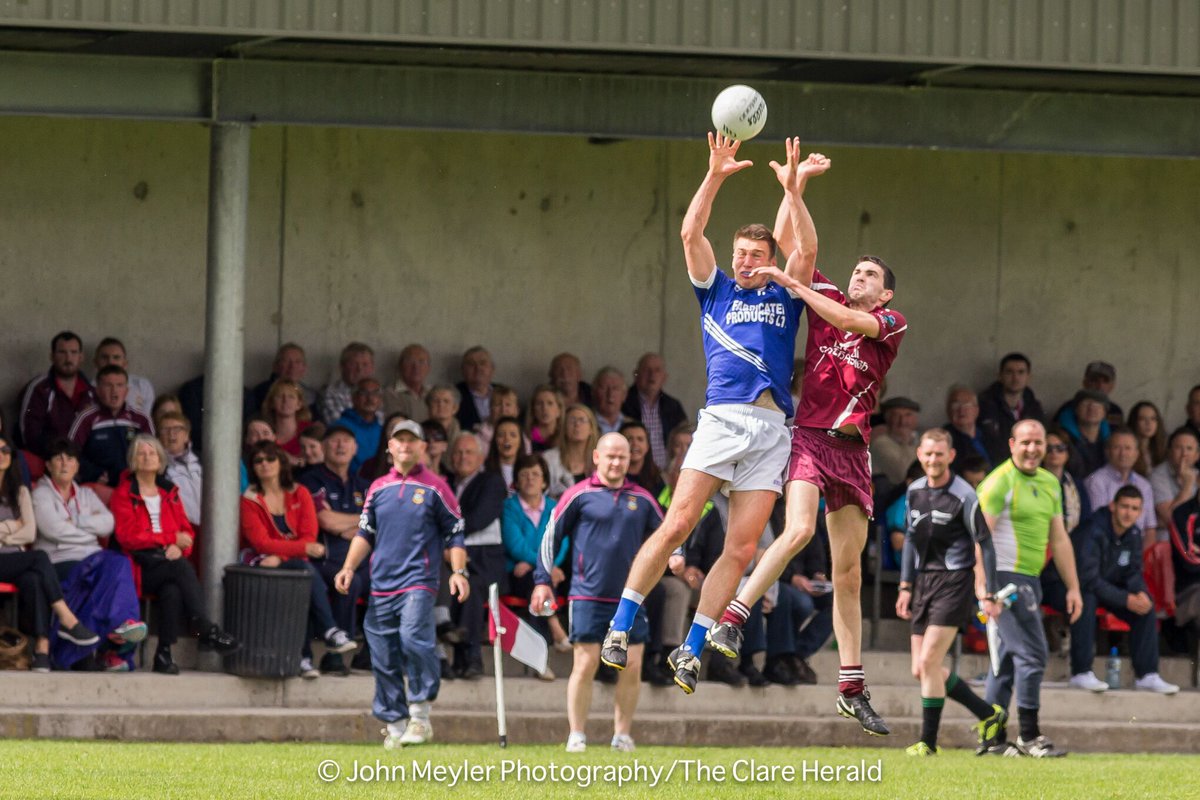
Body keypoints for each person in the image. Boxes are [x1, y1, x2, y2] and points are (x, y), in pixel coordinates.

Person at [601, 134, 822, 698]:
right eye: (741, 254)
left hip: (772, 431)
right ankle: (620, 625)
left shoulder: (786, 290)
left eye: (757, 256)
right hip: (722, 421)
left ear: (769, 260)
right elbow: (689, 232)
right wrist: (715, 174)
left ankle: (693, 648)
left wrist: (793, 191)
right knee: (678, 524)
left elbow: (805, 249)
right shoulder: (715, 289)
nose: (747, 262)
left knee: (742, 550)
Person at [706, 151, 907, 734]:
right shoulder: (822, 297)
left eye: (871, 276)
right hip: (810, 441)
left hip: (855, 452)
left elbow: (846, 321)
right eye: (857, 272)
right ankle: (735, 616)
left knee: (848, 576)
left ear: (886, 295)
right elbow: (803, 248)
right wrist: (794, 190)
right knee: (796, 530)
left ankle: (851, 685)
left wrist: (795, 282)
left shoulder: (889, 325)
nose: (859, 278)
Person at [335, 419, 468, 748]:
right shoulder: (378, 487)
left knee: (413, 639)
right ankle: (394, 724)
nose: (405, 445)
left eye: (412, 441)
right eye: (400, 440)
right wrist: (349, 568)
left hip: (418, 581)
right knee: (382, 653)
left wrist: (458, 572)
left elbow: (455, 534)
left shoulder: (437, 487)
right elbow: (366, 532)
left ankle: (420, 716)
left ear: (422, 447)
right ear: (390, 447)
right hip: (381, 583)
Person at [532, 433, 664, 752]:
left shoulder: (644, 499)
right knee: (585, 664)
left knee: (632, 666)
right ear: (596, 457)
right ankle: (577, 734)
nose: (617, 462)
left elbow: (668, 534)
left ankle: (622, 735)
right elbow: (551, 537)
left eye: (623, 456)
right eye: (611, 456)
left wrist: (677, 556)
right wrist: (542, 579)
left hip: (631, 598)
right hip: (587, 595)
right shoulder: (578, 494)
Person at [894, 429, 1005, 756]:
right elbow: (910, 541)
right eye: (928, 454)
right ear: (919, 454)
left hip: (954, 581)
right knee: (921, 669)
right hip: (923, 583)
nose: (933, 460)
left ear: (950, 456)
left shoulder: (964, 495)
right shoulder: (913, 492)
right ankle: (989, 713)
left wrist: (988, 589)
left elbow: (984, 542)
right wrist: (905, 586)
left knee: (929, 661)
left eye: (939, 454)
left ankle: (927, 743)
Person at [976, 420, 1082, 758]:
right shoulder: (998, 482)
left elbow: (1060, 538)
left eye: (1039, 443)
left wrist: (1073, 587)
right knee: (1033, 655)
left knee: (1005, 663)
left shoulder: (1051, 483)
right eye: (1026, 442)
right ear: (1012, 444)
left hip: (1030, 580)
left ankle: (991, 741)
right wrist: (985, 589)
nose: (1033, 449)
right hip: (1005, 580)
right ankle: (1029, 736)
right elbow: (979, 540)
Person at [110, 434, 239, 674]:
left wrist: (179, 547)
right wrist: (171, 540)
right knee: (180, 569)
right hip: (138, 565)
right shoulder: (124, 493)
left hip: (167, 561)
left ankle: (164, 654)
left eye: (152, 453)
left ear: (161, 461)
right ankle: (204, 629)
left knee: (173, 589)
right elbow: (128, 536)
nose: (148, 458)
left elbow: (187, 532)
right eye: (142, 453)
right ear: (133, 461)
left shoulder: (170, 491)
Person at [239, 440, 357, 679]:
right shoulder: (249, 498)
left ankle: (304, 657)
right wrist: (299, 549)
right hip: (261, 560)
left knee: (303, 578)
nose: (264, 464)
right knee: (304, 573)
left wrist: (282, 555)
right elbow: (261, 543)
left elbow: (309, 534)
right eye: (258, 460)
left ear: (281, 462)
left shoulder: (299, 492)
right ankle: (329, 632)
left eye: (270, 459)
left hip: (289, 560)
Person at [1045, 486, 1178, 695]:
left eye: (1134, 509)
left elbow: (1133, 572)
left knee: (1145, 606)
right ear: (1112, 506)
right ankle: (1081, 672)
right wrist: (1126, 599)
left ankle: (1147, 675)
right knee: (1085, 600)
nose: (1128, 513)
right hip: (1060, 585)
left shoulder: (1133, 533)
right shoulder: (1092, 530)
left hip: (1101, 587)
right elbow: (1087, 580)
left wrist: (1140, 593)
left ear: (1140, 512)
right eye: (1124, 506)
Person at [32, 438, 145, 671]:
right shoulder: (40, 494)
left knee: (119, 564)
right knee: (112, 570)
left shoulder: (86, 494)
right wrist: (87, 532)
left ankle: (118, 632)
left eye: (70, 458)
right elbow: (51, 529)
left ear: (77, 466)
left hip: (92, 560)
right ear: (48, 465)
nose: (65, 463)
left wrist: (75, 522)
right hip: (58, 562)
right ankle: (117, 638)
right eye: (58, 458)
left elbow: (108, 524)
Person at [0, 433, 100, 671]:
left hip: (14, 559)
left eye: (5, 450)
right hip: (14, 559)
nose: (2, 454)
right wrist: (13, 526)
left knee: (34, 578)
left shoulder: (20, 492)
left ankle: (41, 650)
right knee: (40, 558)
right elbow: (22, 529)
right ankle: (67, 619)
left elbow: (30, 533)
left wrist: (6, 532)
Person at [300, 424, 372, 675]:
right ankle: (334, 657)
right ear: (323, 447)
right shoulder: (311, 480)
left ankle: (370, 654)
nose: (341, 446)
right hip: (325, 559)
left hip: (361, 558)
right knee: (349, 581)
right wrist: (360, 519)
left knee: (392, 580)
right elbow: (326, 521)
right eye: (334, 441)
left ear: (355, 449)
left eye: (346, 441)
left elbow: (379, 520)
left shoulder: (363, 485)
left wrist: (346, 524)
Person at [447, 432, 508, 679]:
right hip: (452, 560)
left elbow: (480, 517)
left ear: (480, 457)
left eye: (469, 452)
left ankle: (472, 657)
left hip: (484, 563)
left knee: (468, 589)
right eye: (458, 452)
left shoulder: (491, 482)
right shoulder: (446, 483)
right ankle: (455, 657)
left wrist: (449, 540)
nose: (463, 457)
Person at [501, 453, 570, 655]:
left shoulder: (555, 508)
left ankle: (542, 654)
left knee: (539, 580)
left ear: (544, 481)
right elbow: (516, 546)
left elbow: (562, 542)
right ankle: (554, 625)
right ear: (516, 481)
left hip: (542, 569)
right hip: (517, 572)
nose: (530, 479)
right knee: (535, 580)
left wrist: (545, 568)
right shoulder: (509, 507)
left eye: (535, 474)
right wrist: (546, 568)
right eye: (524, 475)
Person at [69, 365, 154, 486]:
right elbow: (70, 453)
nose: (114, 391)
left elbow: (154, 454)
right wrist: (93, 474)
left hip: (134, 486)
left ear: (126, 391)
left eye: (119, 385)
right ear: (97, 390)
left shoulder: (141, 419)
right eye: (108, 385)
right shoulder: (86, 418)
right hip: (98, 487)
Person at [19, 331, 95, 459]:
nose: (68, 358)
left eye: (73, 352)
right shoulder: (40, 388)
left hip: (85, 462)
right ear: (52, 356)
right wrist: (59, 455)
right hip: (49, 460)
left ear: (81, 357)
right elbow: (29, 434)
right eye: (62, 352)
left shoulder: (92, 392)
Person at [1083, 427, 1157, 543]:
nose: (1123, 453)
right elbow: (1097, 524)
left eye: (1128, 448)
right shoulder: (1096, 481)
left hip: (1136, 550)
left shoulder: (1144, 485)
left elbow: (1150, 528)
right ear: (1108, 452)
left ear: (1136, 453)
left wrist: (1143, 559)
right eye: (1117, 448)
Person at [621, 353, 687, 469]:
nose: (652, 375)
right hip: (633, 470)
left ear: (665, 377)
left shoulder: (673, 406)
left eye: (657, 371)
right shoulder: (623, 401)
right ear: (636, 374)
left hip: (665, 474)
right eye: (647, 370)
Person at [977, 353, 1046, 448]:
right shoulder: (984, 406)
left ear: (1028, 377)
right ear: (1000, 376)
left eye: (1021, 372)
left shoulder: (1035, 408)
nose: (1015, 377)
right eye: (1009, 372)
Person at [543, 404, 599, 499]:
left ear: (591, 429)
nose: (577, 424)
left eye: (582, 420)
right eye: (572, 420)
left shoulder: (601, 459)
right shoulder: (549, 458)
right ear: (564, 428)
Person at [92, 337, 156, 420]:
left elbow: (145, 421)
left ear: (125, 363)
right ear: (96, 362)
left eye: (116, 357)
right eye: (105, 357)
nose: (110, 362)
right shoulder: (89, 390)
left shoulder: (143, 386)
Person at [1041, 427, 1091, 534]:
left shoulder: (1077, 485)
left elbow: (1086, 521)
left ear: (1068, 453)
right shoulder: (1032, 483)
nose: (1054, 452)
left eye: (1060, 448)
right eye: (1048, 448)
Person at [249, 342, 318, 418]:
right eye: (286, 361)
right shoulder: (261, 391)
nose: (292, 366)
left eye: (298, 362)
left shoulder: (310, 394)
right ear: (275, 366)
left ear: (304, 368)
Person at [157, 412, 202, 528]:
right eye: (165, 430)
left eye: (177, 429)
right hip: (182, 530)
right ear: (159, 437)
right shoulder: (158, 469)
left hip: (211, 527)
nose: (171, 434)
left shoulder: (203, 460)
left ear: (187, 436)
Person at [869, 396, 921, 491]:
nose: (902, 421)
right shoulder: (880, 443)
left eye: (908, 415)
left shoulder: (921, 440)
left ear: (915, 419)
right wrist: (906, 441)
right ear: (887, 419)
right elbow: (901, 475)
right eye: (896, 415)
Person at [1151, 427, 1199, 528]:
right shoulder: (1157, 475)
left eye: (1189, 448)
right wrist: (1187, 486)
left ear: (1197, 455)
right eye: (1178, 448)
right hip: (1167, 539)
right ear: (1169, 451)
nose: (1184, 454)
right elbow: (1171, 518)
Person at [944, 385, 999, 472]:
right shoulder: (945, 439)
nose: (961, 410)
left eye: (966, 404)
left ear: (976, 410)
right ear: (948, 410)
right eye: (956, 404)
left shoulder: (988, 434)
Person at [1055, 361, 1123, 428]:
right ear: (1085, 383)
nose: (1100, 385)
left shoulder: (1115, 411)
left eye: (1105, 381)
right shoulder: (1068, 408)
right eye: (1094, 380)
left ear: (1112, 386)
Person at [337, 378, 384, 474]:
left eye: (375, 393)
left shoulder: (382, 429)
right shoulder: (341, 427)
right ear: (354, 398)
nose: (370, 398)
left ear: (380, 400)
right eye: (364, 393)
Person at [262, 379, 314, 466]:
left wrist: (296, 461)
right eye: (279, 396)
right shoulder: (263, 432)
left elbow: (313, 461)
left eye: (291, 397)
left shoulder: (310, 430)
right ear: (271, 403)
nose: (285, 400)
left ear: (299, 404)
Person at [322, 342, 375, 425]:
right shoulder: (332, 392)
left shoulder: (379, 393)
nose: (359, 369)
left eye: (365, 364)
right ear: (342, 367)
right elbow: (340, 425)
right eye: (353, 364)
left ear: (372, 368)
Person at [1061, 389, 1111, 478]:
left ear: (1104, 413)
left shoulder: (1111, 442)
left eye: (1097, 405)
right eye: (1086, 404)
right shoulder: (1063, 439)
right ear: (1076, 410)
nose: (1091, 408)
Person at [385, 344, 432, 423]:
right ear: (400, 365)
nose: (416, 367)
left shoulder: (433, 393)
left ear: (429, 368)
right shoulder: (389, 394)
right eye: (410, 361)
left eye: (421, 361)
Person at [455, 346, 496, 432]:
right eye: (471, 364)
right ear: (463, 370)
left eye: (482, 363)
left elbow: (523, 427)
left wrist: (533, 437)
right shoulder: (453, 395)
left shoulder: (505, 393)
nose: (478, 368)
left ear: (492, 369)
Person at [620, 421, 665, 496]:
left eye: (640, 439)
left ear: (647, 446)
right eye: (629, 439)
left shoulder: (656, 478)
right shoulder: (612, 475)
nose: (635, 443)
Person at [483, 417, 527, 489]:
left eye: (513, 435)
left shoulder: (529, 469)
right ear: (495, 440)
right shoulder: (483, 469)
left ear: (520, 441)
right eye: (501, 435)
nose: (507, 439)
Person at [1127, 401, 1166, 477]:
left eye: (1153, 419)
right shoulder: (1128, 450)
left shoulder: (1163, 450)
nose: (1148, 423)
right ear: (1134, 422)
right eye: (1142, 419)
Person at [591, 367, 631, 436]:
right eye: (604, 388)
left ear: (624, 395)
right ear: (594, 392)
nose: (610, 394)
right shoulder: (586, 423)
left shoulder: (632, 426)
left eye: (615, 388)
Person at [526, 385, 565, 453]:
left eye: (550, 403)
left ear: (559, 410)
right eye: (539, 404)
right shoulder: (525, 437)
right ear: (533, 409)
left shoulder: (566, 436)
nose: (544, 408)